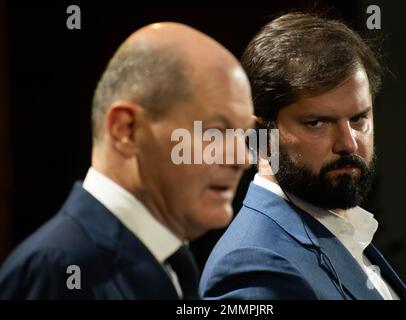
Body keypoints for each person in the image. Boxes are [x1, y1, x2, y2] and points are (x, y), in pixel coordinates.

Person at [0, 22, 254, 299]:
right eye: (214, 132)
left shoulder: (170, 263)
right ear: (127, 130)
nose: (242, 158)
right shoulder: (58, 272)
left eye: (243, 136)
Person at [200, 12, 406, 300]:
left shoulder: (343, 230)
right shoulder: (252, 265)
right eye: (317, 123)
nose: (348, 144)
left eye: (359, 118)